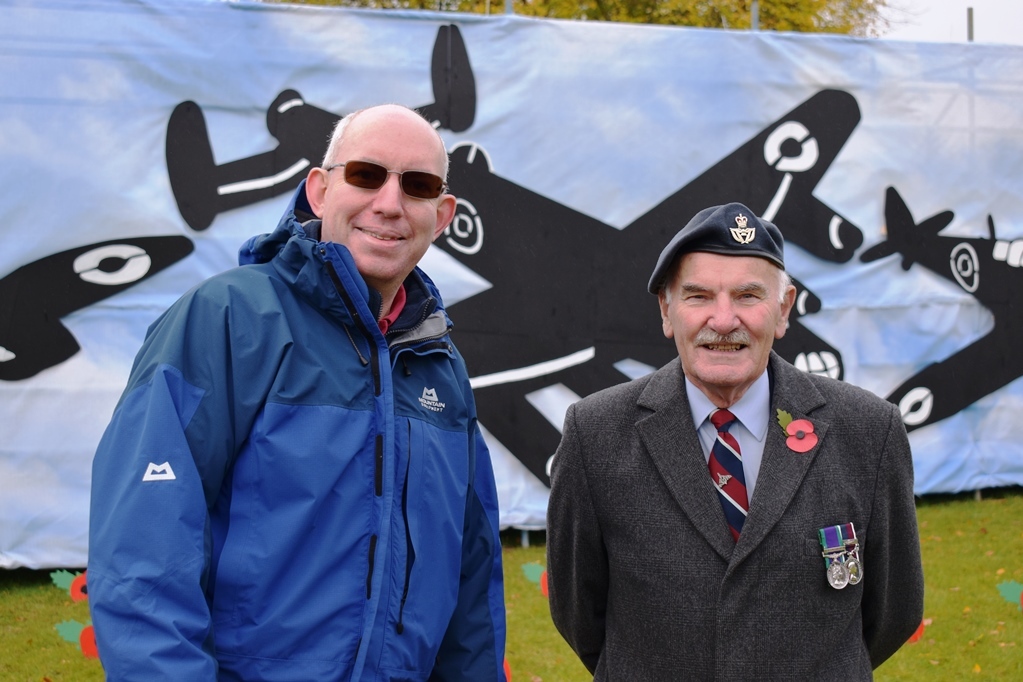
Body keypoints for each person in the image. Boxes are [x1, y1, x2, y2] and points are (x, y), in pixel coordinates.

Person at [88, 104, 507, 681]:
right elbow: (142, 561)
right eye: (365, 174)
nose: (389, 203)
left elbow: (470, 585)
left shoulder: (439, 364)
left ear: (441, 215)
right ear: (318, 190)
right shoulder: (226, 320)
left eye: (418, 185)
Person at [546, 203, 923, 680]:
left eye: (748, 296)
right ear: (667, 311)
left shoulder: (870, 431)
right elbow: (579, 613)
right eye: (699, 296)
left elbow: (893, 610)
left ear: (783, 310)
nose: (723, 321)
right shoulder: (595, 433)